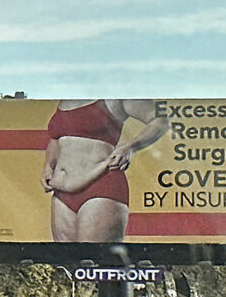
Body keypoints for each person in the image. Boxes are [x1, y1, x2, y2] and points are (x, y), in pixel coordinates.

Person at [40, 99, 169, 242]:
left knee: (96, 258)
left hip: (101, 184)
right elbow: (57, 138)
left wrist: (130, 147)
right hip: (62, 190)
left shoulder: (115, 96)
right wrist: (48, 167)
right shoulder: (66, 99)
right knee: (66, 260)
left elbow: (161, 121)